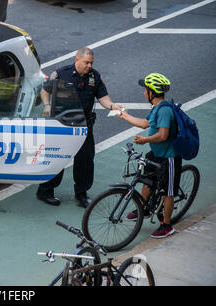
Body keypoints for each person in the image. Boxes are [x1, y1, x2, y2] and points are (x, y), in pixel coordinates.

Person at [37, 47, 123, 207]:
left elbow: (103, 98)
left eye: (91, 62)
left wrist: (113, 106)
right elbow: (44, 90)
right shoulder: (62, 73)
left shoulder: (94, 76)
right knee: (56, 158)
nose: (89, 65)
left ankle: (81, 194)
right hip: (62, 124)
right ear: (77, 60)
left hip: (83, 125)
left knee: (85, 160)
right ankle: (45, 191)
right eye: (86, 62)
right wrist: (47, 105)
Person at [118, 73, 181, 238]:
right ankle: (144, 208)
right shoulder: (157, 107)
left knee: (168, 192)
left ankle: (167, 225)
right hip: (156, 154)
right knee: (147, 181)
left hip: (169, 157)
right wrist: (124, 115)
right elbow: (145, 123)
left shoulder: (165, 110)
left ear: (151, 92)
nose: (144, 93)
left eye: (145, 90)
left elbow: (163, 135)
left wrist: (145, 139)